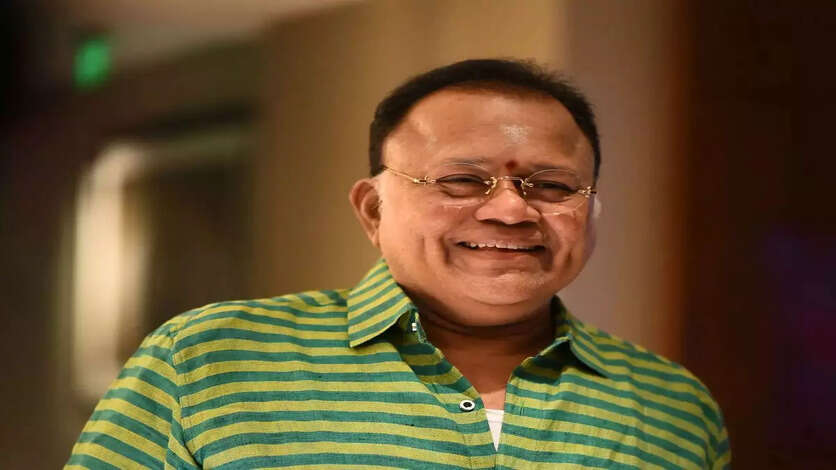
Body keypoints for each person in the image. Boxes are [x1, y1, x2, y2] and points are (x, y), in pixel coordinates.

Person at [66, 59, 730, 469]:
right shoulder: (207, 361)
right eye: (462, 181)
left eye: (552, 186)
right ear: (373, 210)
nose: (510, 211)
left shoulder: (673, 407)